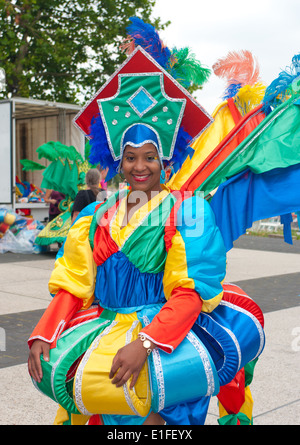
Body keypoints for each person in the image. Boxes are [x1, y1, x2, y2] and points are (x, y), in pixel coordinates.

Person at [27, 20, 264, 426]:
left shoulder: (187, 212)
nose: (140, 166)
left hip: (167, 345)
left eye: (149, 156)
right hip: (101, 340)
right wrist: (44, 333)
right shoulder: (94, 216)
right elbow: (73, 285)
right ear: (117, 162)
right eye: (131, 157)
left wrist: (146, 344)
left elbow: (189, 292)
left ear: (165, 161)